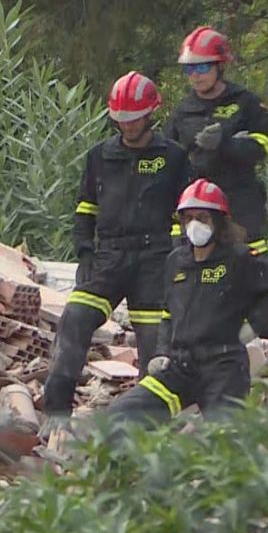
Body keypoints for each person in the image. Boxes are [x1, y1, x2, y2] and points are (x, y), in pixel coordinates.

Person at [41, 72, 190, 433]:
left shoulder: (173, 157)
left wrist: (177, 256)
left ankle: (146, 427)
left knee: (155, 347)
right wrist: (84, 252)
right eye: (120, 119)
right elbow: (85, 208)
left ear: (151, 114)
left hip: (156, 258)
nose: (127, 126)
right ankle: (56, 414)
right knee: (75, 319)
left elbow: (187, 212)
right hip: (108, 257)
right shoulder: (100, 156)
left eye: (133, 118)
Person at [106, 179, 268, 427]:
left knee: (223, 442)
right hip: (180, 366)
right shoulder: (176, 261)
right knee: (122, 415)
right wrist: (162, 352)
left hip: (223, 368)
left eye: (202, 218)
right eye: (188, 218)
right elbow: (169, 313)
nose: (194, 225)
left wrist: (254, 325)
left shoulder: (239, 259)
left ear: (219, 221)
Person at [164, 25, 268, 255]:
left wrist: (226, 144)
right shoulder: (183, 111)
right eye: (189, 69)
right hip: (196, 206)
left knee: (249, 266)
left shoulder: (245, 102)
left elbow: (262, 146)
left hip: (239, 202)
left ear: (220, 66)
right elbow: (170, 160)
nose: (196, 75)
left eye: (203, 67)